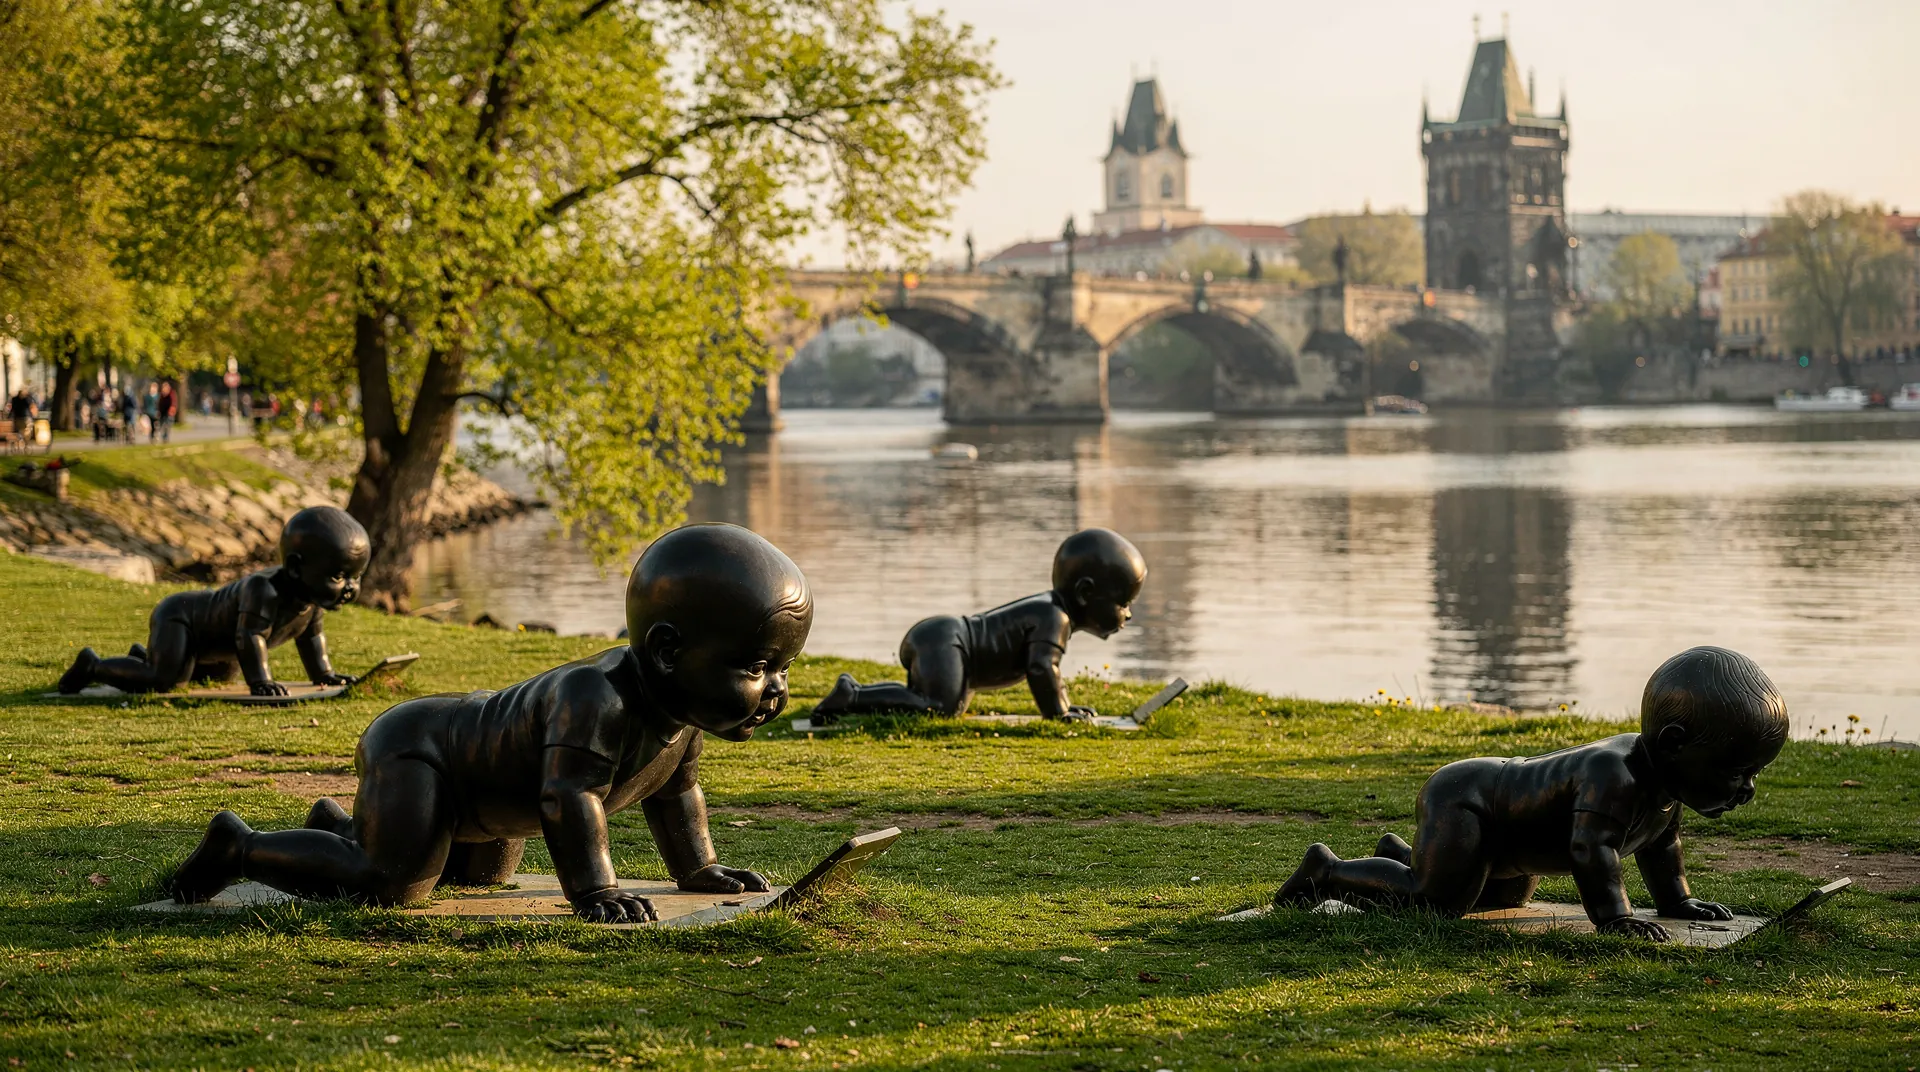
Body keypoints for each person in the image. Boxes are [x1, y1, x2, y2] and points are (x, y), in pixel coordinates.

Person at [166, 523, 810, 922]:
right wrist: (595, 891)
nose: (776, 690)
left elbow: (675, 794)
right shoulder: (599, 697)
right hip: (425, 752)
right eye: (758, 667)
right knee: (390, 884)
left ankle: (339, 827)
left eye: (783, 667)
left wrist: (697, 869)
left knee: (479, 877)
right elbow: (568, 798)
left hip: (491, 801)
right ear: (668, 652)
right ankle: (239, 846)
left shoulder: (681, 715)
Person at [1275, 646, 1790, 942]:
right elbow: (1591, 848)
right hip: (1470, 801)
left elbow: (1661, 844)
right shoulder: (1615, 776)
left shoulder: (1662, 782)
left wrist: (1676, 901)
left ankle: (1404, 858)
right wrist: (1615, 918)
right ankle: (1328, 872)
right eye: (1738, 772)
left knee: (1501, 900)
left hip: (1511, 845)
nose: (1747, 789)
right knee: (1436, 903)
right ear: (1675, 744)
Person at [811, 528, 1147, 723]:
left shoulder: (1051, 611)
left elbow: (1046, 670)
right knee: (937, 707)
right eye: (1123, 604)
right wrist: (1059, 714)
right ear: (1086, 593)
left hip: (947, 640)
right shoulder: (1053, 618)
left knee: (944, 706)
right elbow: (1042, 667)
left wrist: (1065, 707)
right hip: (948, 642)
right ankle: (851, 695)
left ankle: (856, 694)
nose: (1128, 615)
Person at [58, 507, 370, 697]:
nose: (350, 588)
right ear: (296, 568)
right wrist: (261, 681)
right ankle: (93, 665)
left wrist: (323, 674)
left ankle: (144, 657)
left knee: (215, 677)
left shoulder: (311, 602)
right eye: (339, 576)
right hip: (182, 619)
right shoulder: (264, 591)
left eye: (356, 578)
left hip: (219, 649)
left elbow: (312, 639)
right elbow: (250, 637)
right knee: (164, 680)